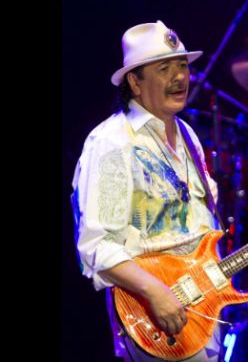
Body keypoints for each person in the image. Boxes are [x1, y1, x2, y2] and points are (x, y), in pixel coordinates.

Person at [70, 20, 222, 361]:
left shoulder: (188, 136)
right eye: (164, 68)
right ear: (135, 83)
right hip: (154, 316)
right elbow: (95, 245)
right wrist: (155, 291)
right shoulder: (112, 141)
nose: (180, 77)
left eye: (182, 66)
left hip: (203, 309)